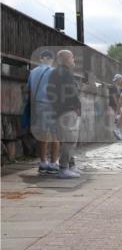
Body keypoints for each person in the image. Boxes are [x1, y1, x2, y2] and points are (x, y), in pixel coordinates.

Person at [46, 50, 82, 179]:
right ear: (66, 59)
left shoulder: (56, 72)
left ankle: (70, 166)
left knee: (69, 139)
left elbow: (49, 93)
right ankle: (64, 168)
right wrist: (77, 106)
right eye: (72, 57)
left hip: (61, 110)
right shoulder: (64, 73)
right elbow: (72, 92)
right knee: (69, 140)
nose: (74, 60)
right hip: (67, 110)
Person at [27, 50, 59, 174]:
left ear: (41, 59)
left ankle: (43, 162)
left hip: (38, 106)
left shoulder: (33, 72)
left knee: (42, 135)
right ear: (52, 60)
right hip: (51, 105)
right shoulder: (53, 71)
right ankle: (53, 163)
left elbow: (29, 89)